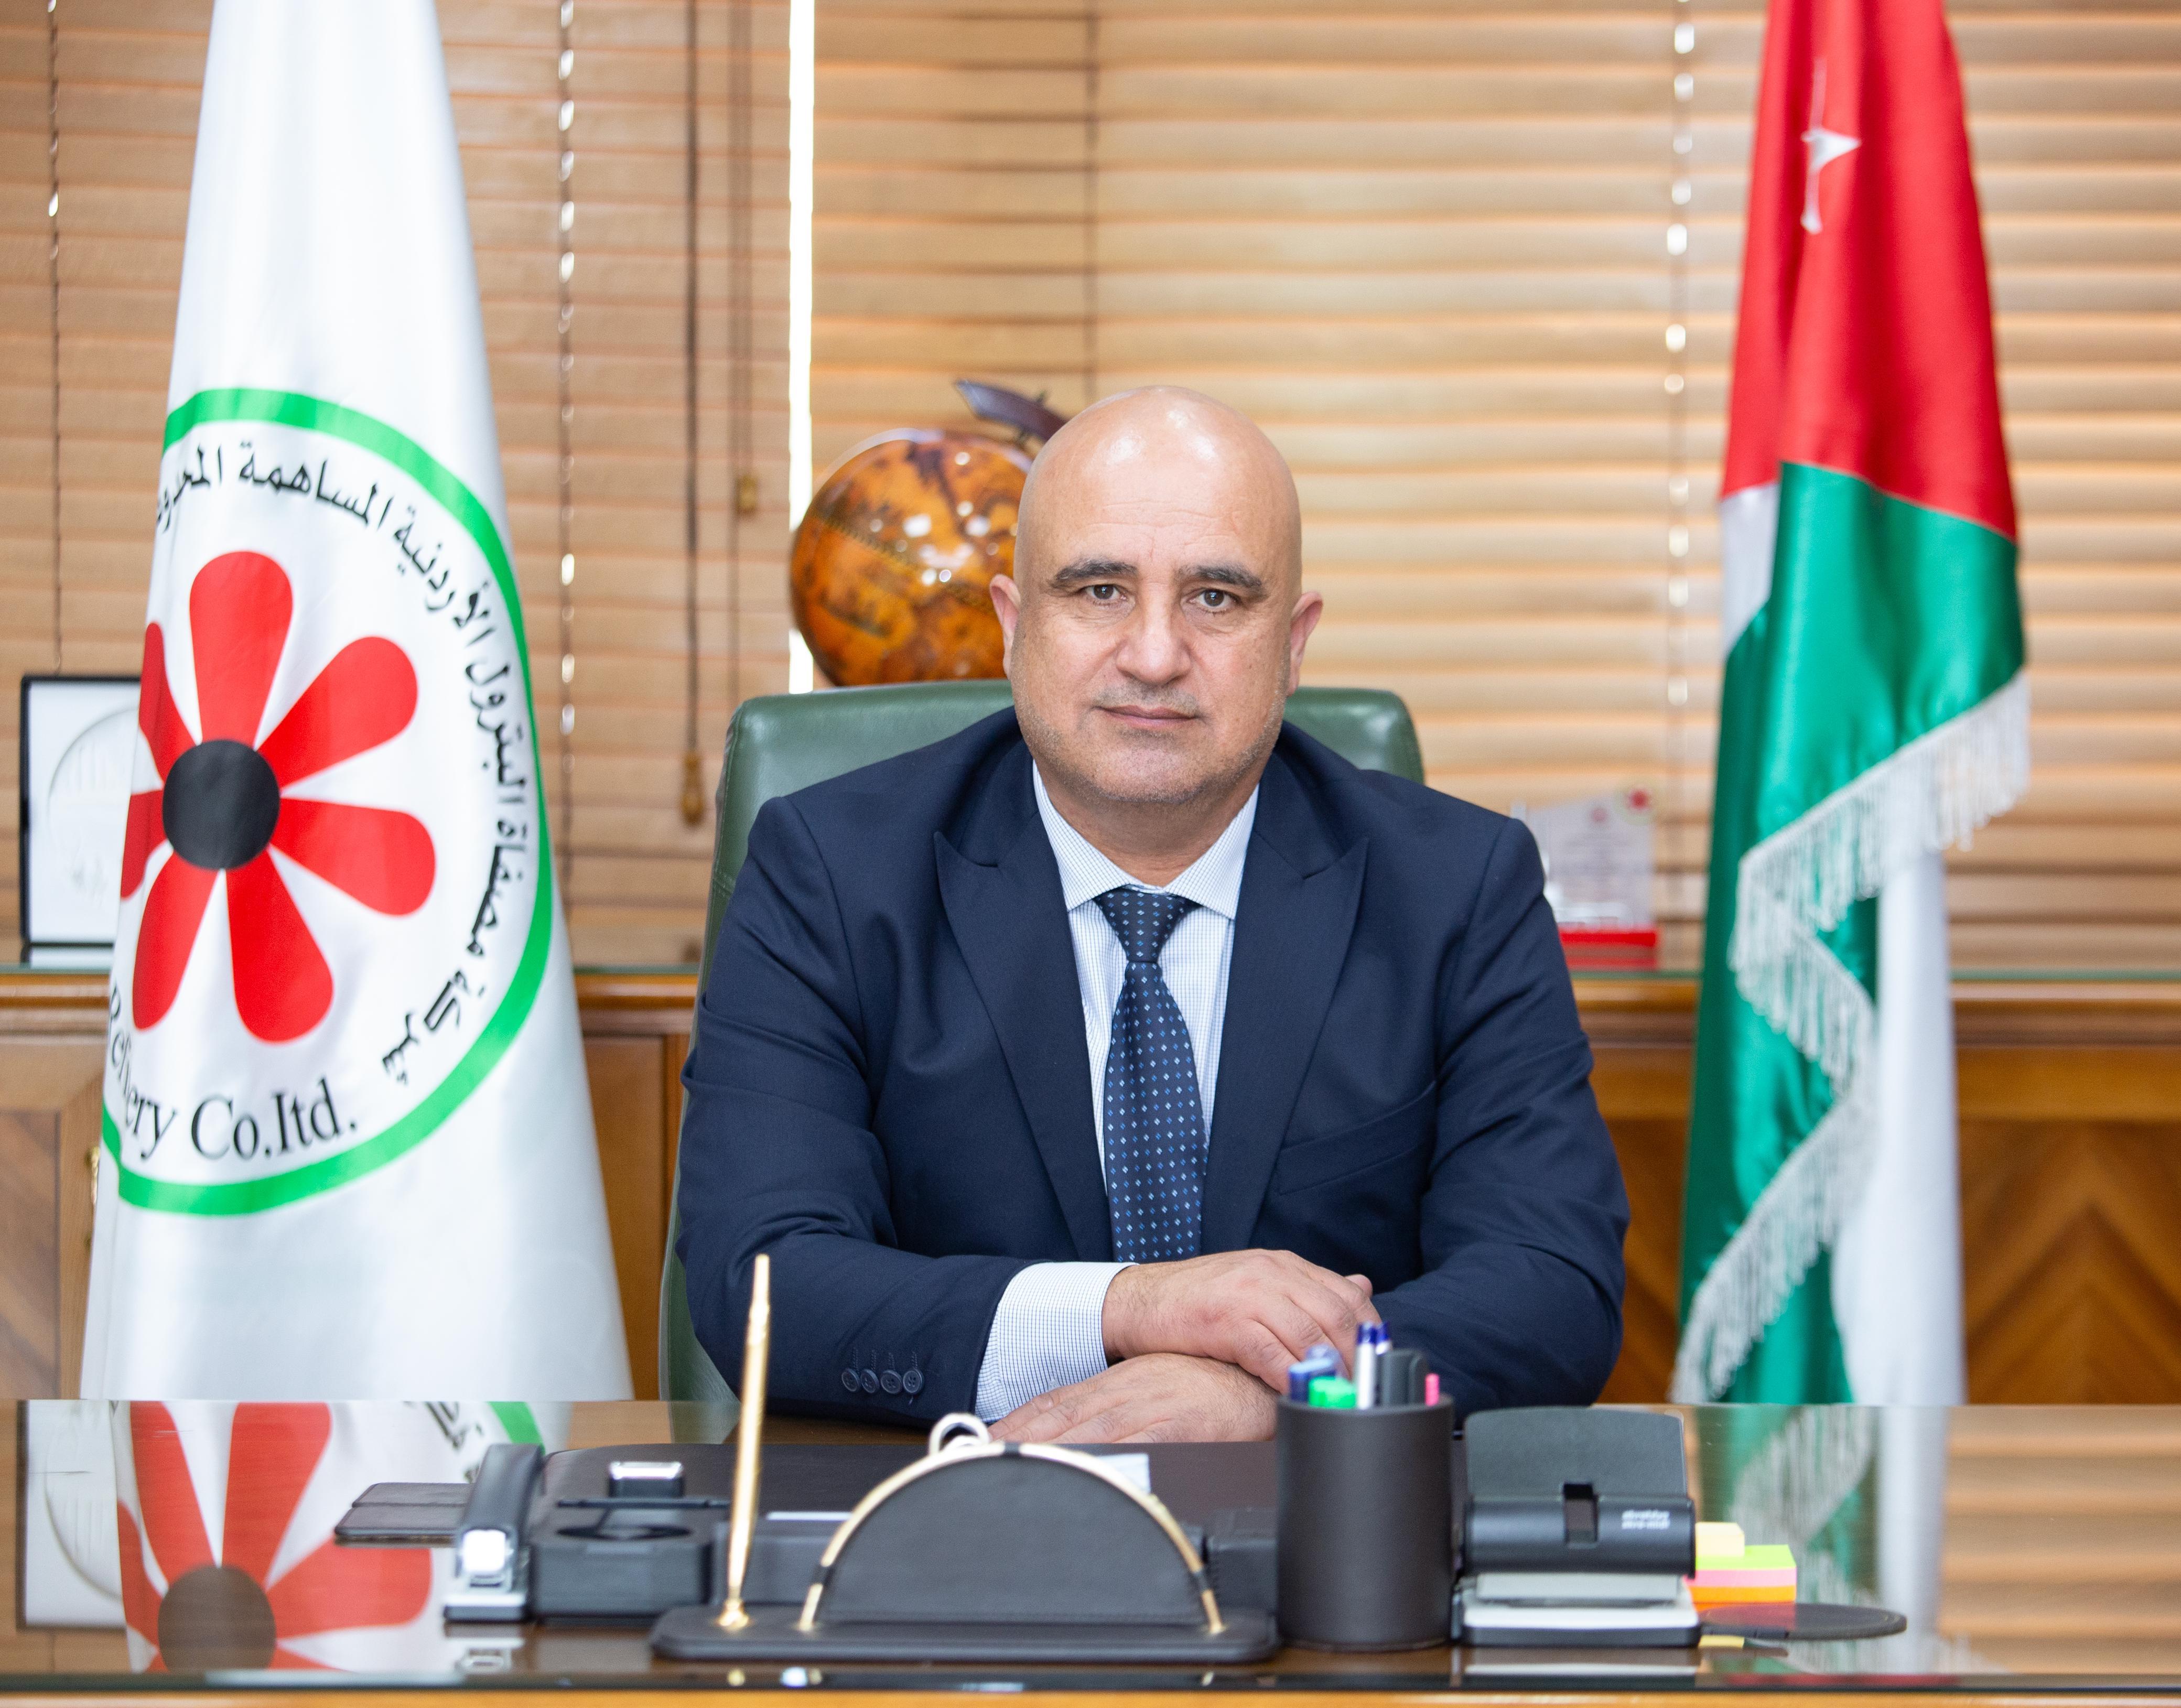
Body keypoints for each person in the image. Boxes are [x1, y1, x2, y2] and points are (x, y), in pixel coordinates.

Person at [676, 387, 1628, 1442]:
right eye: (1099, 591)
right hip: (949, 1503)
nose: (1155, 655)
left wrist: (1276, 1399)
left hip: (1324, 1521)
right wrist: (1133, 1308)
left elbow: (1553, 1285)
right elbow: (760, 1280)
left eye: (1216, 598)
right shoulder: (832, 873)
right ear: (1014, 625)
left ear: (1295, 643)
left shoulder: (1456, 888)